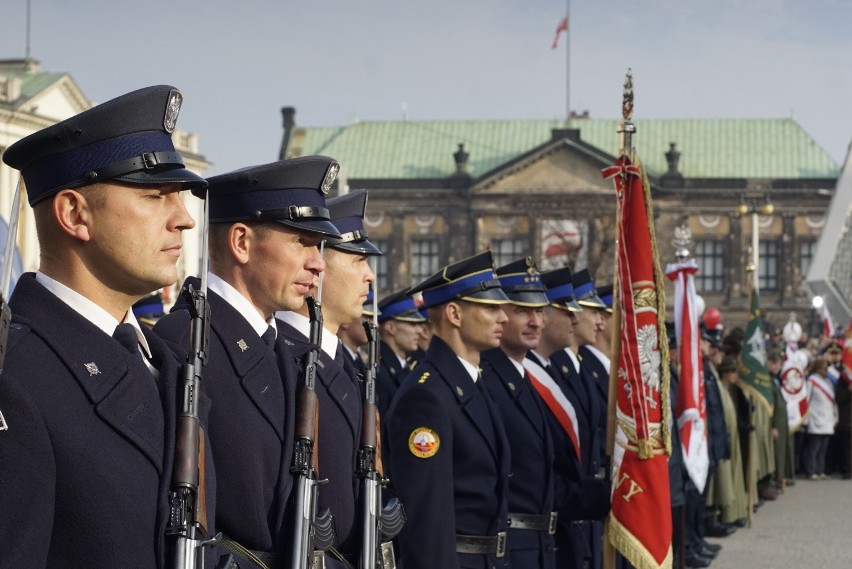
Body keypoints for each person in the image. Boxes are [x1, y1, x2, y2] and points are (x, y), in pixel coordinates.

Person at [0, 85, 216, 568]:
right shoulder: (15, 376)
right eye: (155, 196)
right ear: (75, 213)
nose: (183, 219)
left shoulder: (167, 362)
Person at [153, 156, 340, 566]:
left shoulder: (282, 349)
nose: (319, 263)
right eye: (302, 242)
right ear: (241, 242)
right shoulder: (186, 342)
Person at [385, 251, 511, 569]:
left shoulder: (470, 383)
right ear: (454, 313)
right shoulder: (426, 397)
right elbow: (427, 520)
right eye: (491, 307)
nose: (504, 317)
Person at [277, 188, 382, 566]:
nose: (370, 276)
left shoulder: (343, 363)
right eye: (357, 260)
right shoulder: (285, 356)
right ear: (318, 266)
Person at [480, 257, 557, 569]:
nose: (536, 321)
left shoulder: (526, 374)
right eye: (523, 311)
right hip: (511, 550)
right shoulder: (486, 377)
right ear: (500, 314)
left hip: (539, 547)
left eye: (539, 311)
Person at [375, 289, 427, 415]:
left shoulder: (403, 367)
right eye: (412, 324)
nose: (419, 330)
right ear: (390, 328)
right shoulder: (378, 372)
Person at [804, 357, 838, 479]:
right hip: (816, 417)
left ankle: (820, 470)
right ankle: (811, 470)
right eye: (824, 368)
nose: (826, 371)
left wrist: (835, 416)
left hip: (828, 418)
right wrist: (806, 419)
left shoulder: (828, 382)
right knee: (814, 448)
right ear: (818, 369)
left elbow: (833, 402)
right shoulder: (811, 382)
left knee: (823, 449)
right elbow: (807, 400)